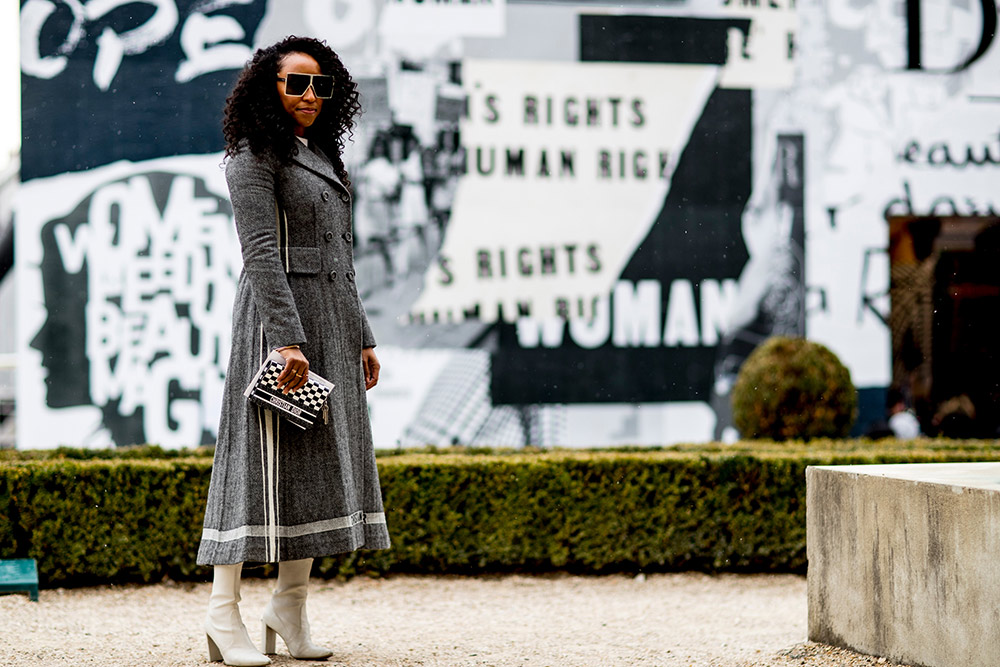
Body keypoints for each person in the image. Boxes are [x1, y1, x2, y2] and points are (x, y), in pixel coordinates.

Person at [196, 36, 390, 666]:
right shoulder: (251, 157)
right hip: (278, 329)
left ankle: (289, 606)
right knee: (255, 465)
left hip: (331, 329)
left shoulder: (323, 156)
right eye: (295, 84)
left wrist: (360, 336)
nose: (309, 96)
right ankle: (223, 616)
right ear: (267, 88)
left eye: (320, 85)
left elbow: (341, 259)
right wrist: (284, 340)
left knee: (314, 466)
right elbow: (259, 255)